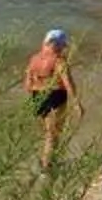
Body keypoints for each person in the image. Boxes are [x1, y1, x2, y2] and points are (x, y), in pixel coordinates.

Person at [25, 28, 82, 164]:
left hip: (37, 97)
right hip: (55, 97)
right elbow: (68, 83)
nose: (63, 49)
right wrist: (76, 104)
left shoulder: (33, 59)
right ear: (54, 44)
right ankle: (47, 165)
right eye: (62, 45)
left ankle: (46, 161)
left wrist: (36, 97)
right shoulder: (58, 61)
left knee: (46, 133)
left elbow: (27, 84)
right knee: (53, 134)